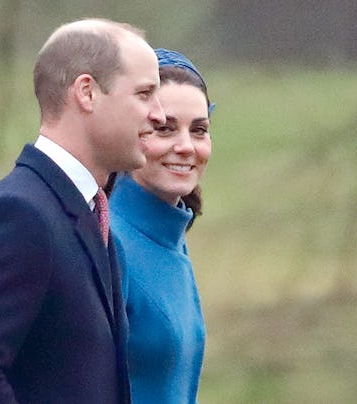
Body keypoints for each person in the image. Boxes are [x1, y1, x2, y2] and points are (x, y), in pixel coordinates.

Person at [0, 18, 165, 403]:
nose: (159, 115)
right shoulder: (20, 215)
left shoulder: (89, 213)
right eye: (144, 94)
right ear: (87, 92)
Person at [107, 48, 215, 404]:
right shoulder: (108, 242)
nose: (185, 147)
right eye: (164, 129)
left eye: (198, 130)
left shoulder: (171, 237)